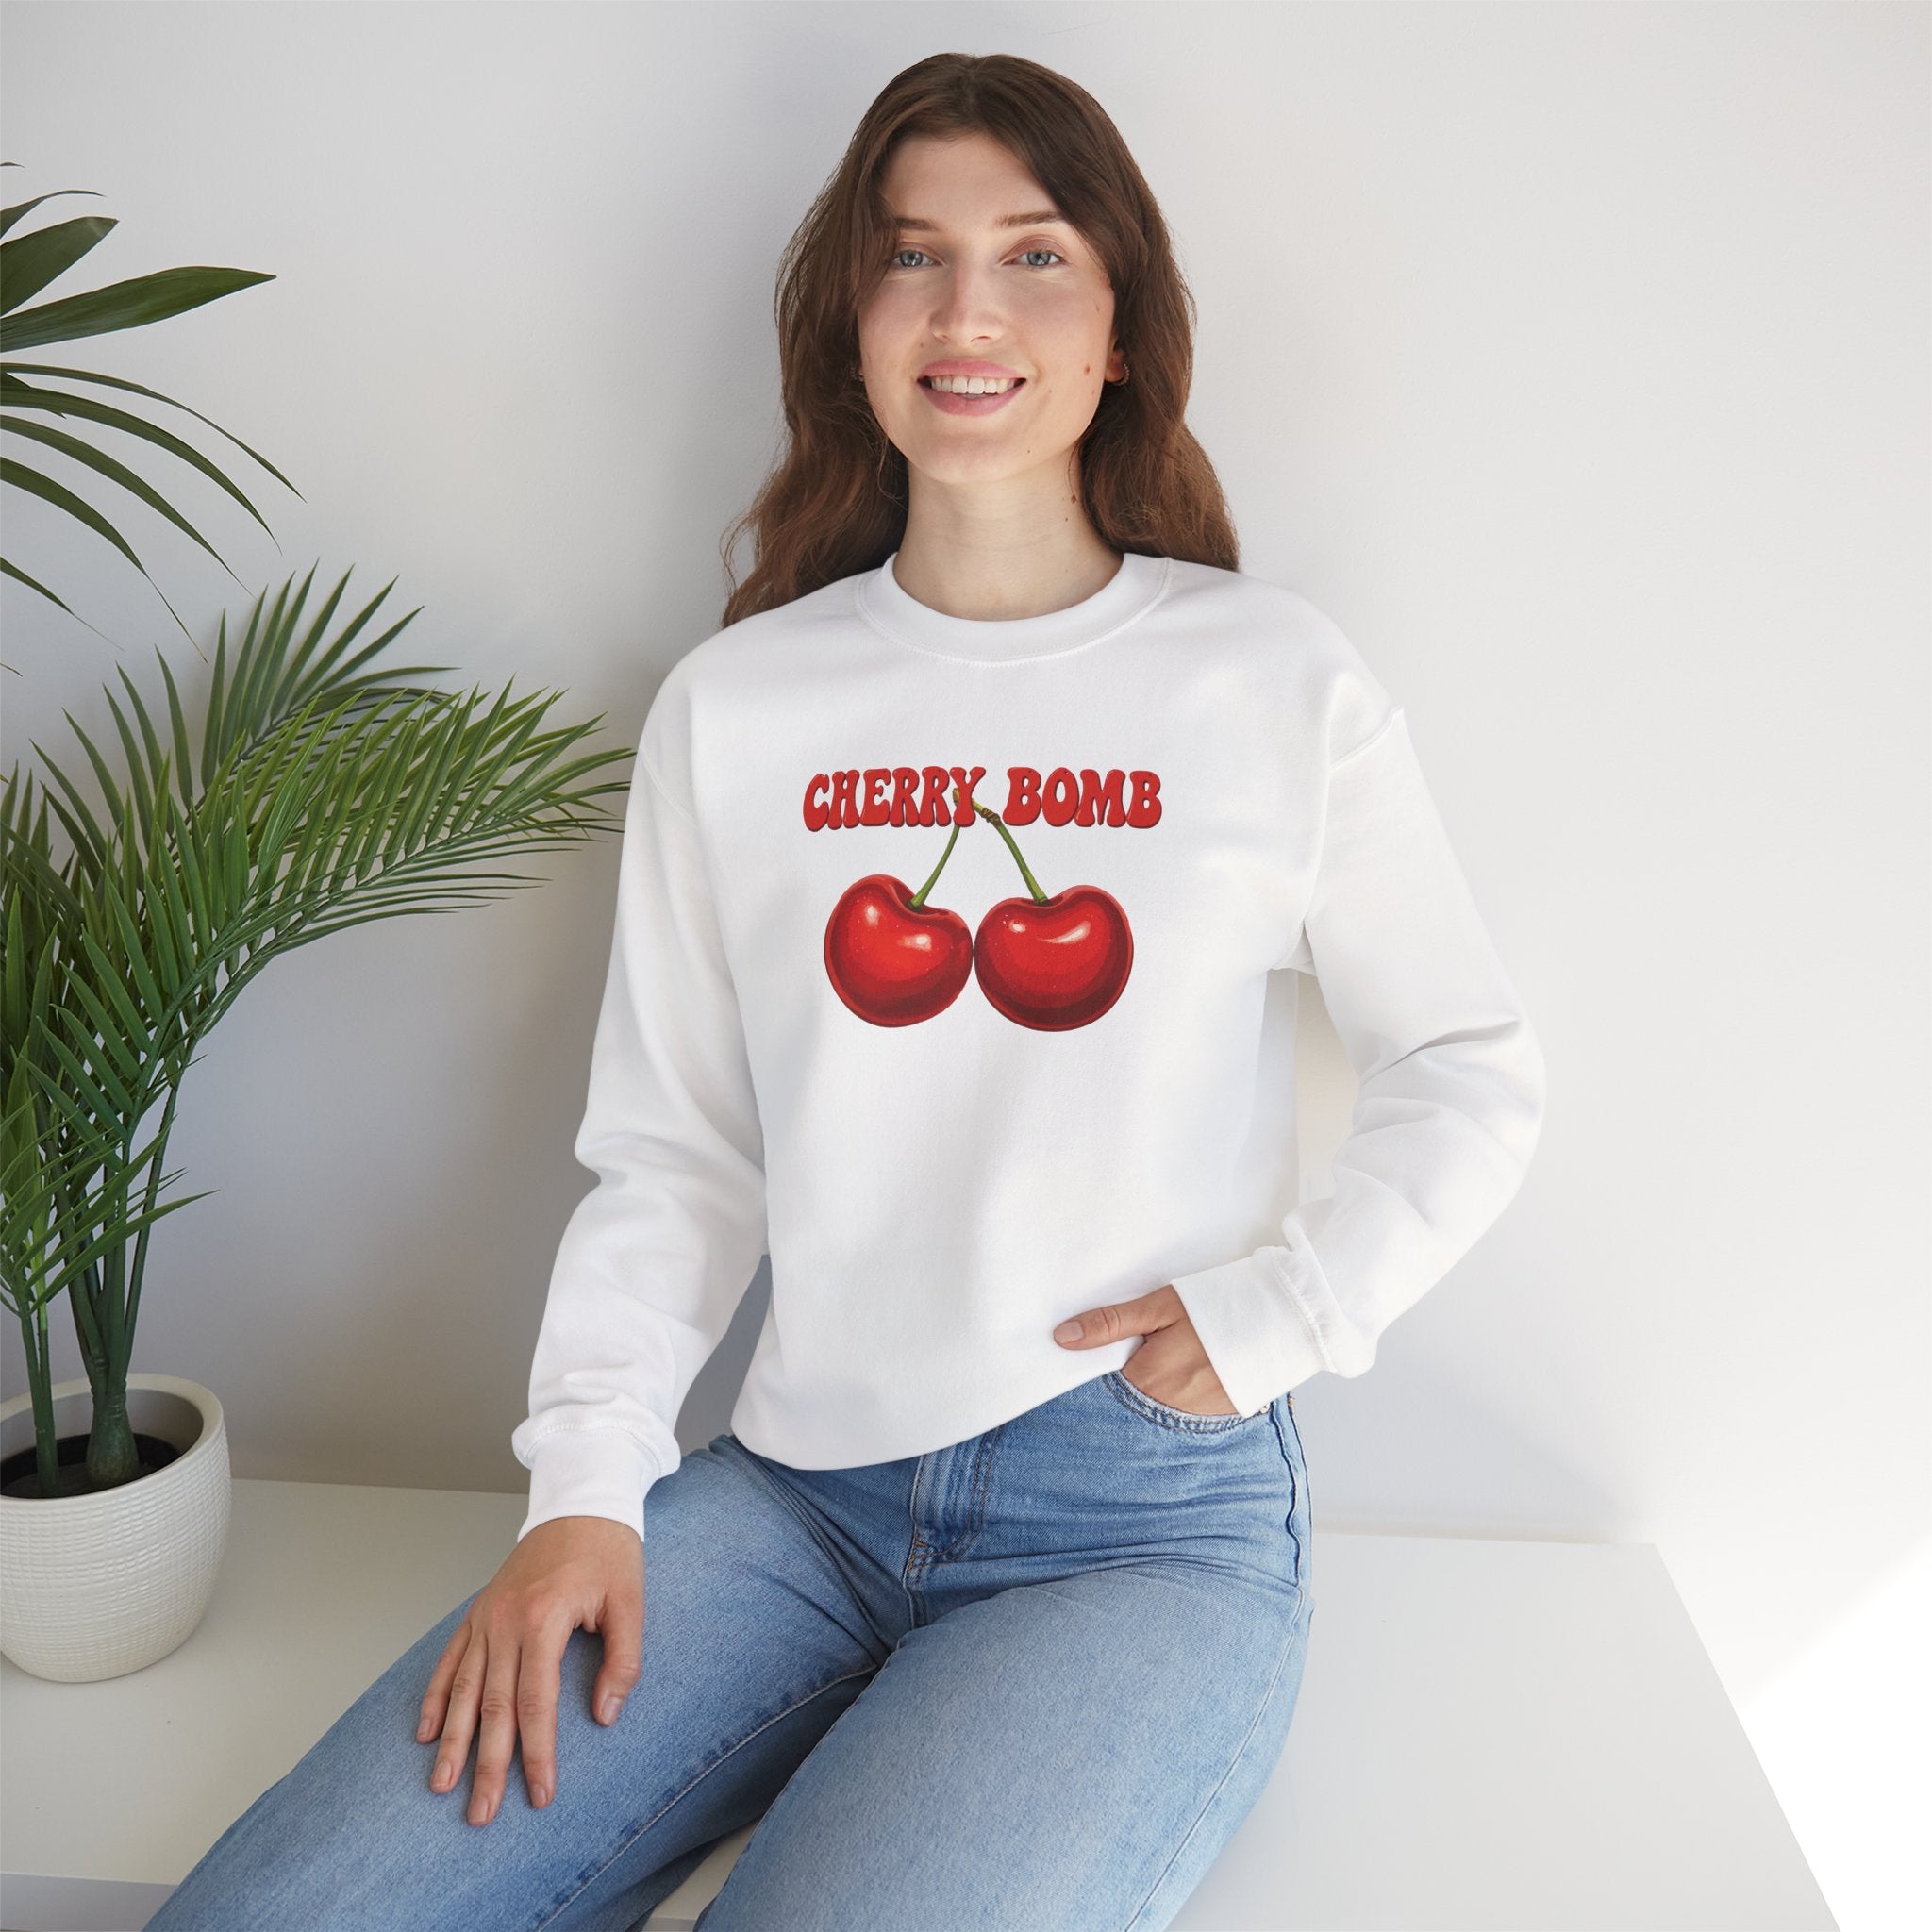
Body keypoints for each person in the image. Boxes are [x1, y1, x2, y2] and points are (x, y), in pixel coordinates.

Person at [146, 50, 1545, 1932]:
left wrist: (1289, 1304)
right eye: (911, 259)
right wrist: (586, 1485)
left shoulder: (1268, 682)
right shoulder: (746, 706)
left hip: (1135, 1526)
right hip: (794, 1495)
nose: (968, 311)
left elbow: (1467, 1062)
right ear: (852, 324)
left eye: (1033, 256)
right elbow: (676, 1155)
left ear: (1120, 324)